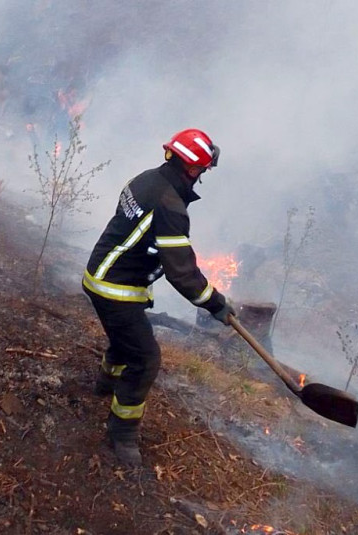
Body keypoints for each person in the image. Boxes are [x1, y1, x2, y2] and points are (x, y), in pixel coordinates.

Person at [82, 128, 236, 466]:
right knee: (146, 358)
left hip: (103, 274)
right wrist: (217, 304)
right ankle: (121, 434)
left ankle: (104, 384)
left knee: (127, 339)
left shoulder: (146, 179)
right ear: (193, 169)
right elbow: (182, 274)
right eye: (204, 170)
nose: (202, 176)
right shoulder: (171, 206)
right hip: (116, 288)